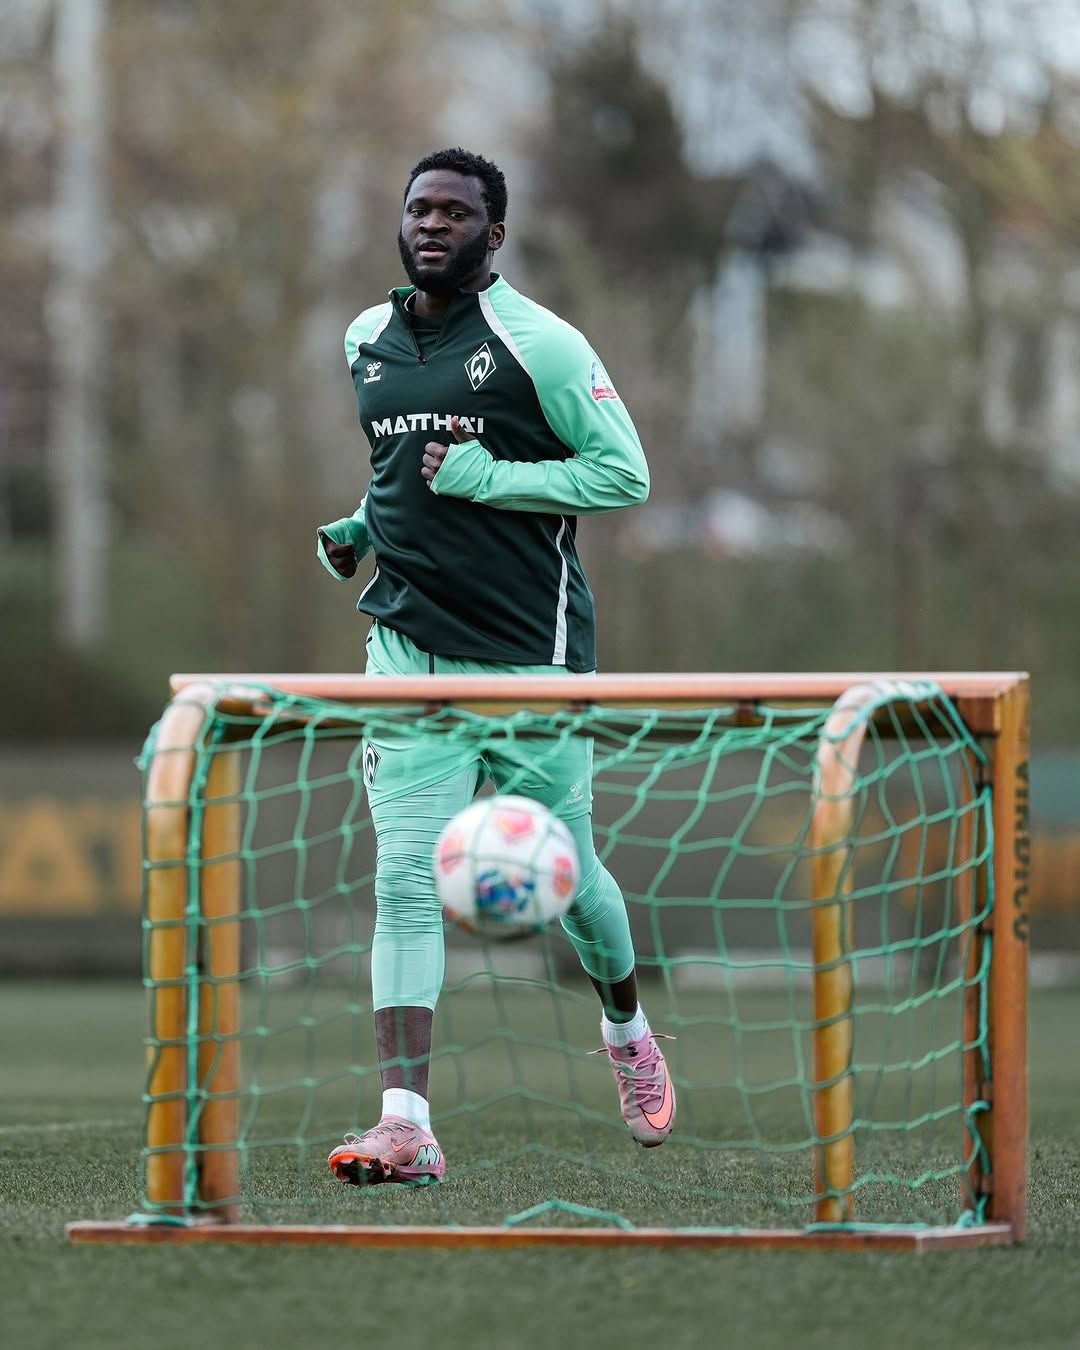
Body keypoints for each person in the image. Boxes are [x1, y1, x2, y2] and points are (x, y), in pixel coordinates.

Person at [319, 147, 674, 1187]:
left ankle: (626, 1032)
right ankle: (406, 1123)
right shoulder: (365, 340)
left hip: (531, 660)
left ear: (494, 235)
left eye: (455, 212)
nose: (432, 224)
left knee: (575, 883)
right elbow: (397, 470)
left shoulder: (543, 346)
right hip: (408, 652)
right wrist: (361, 526)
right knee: (403, 880)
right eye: (418, 208)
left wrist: (490, 475)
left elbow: (626, 474)